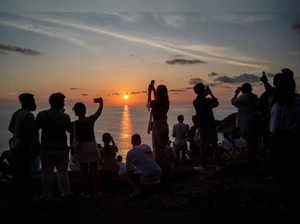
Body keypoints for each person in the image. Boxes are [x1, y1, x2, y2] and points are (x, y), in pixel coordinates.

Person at [269, 69, 300, 208]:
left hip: (281, 139)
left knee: (281, 171)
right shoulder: (298, 101)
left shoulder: (278, 105)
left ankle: (283, 201)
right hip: (294, 139)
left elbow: (273, 128)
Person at [36, 93, 72, 199]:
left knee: (47, 173)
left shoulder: (42, 115)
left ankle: (47, 194)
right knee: (63, 172)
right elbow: (69, 130)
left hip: (46, 148)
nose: (64, 103)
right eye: (63, 101)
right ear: (60, 103)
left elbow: (35, 130)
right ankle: (65, 193)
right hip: (61, 149)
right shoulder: (65, 117)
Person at [8, 93, 38, 200]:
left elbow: (11, 128)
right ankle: (25, 195)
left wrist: (17, 135)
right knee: (26, 172)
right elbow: (32, 134)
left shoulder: (17, 113)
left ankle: (19, 194)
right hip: (25, 148)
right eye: (33, 101)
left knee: (19, 172)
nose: (35, 103)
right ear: (28, 102)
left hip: (17, 146)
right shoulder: (28, 115)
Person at [71, 97, 103, 197]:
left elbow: (73, 140)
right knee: (94, 170)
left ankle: (85, 192)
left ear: (75, 112)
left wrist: (73, 153)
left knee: (83, 172)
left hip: (82, 148)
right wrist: (101, 103)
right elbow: (98, 112)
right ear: (85, 110)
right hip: (92, 146)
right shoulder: (90, 120)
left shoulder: (74, 124)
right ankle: (96, 191)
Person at [231, 83, 260, 167]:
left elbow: (234, 102)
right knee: (254, 142)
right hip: (254, 121)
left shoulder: (243, 97)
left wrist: (236, 93)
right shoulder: (254, 97)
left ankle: (251, 161)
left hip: (246, 122)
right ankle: (254, 159)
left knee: (249, 142)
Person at [193, 83, 219, 170]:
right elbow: (216, 103)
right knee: (214, 144)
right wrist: (210, 93)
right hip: (210, 124)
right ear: (203, 90)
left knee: (203, 145)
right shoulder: (206, 101)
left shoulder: (196, 101)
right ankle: (217, 164)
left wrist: (205, 94)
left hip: (202, 125)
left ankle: (203, 165)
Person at [147, 82, 171, 176]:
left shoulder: (155, 103)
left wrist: (150, 92)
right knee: (163, 149)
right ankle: (166, 171)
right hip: (164, 125)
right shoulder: (166, 102)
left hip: (157, 127)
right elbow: (158, 101)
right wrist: (153, 90)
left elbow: (149, 104)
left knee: (157, 151)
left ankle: (160, 172)